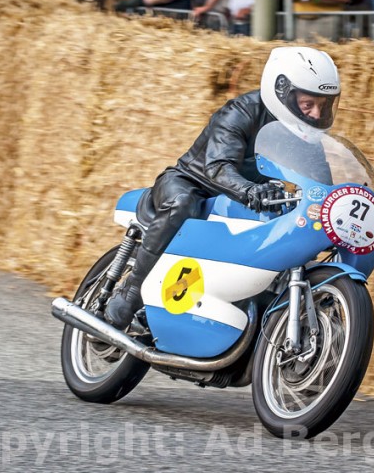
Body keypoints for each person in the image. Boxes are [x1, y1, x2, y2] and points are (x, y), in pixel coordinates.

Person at [105, 47, 343, 329]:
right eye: (308, 104)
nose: (316, 114)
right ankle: (131, 291)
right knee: (182, 203)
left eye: (323, 105)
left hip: (249, 200)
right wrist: (251, 191)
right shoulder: (240, 112)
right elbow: (217, 167)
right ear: (283, 92)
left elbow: (321, 185)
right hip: (194, 183)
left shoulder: (307, 136)